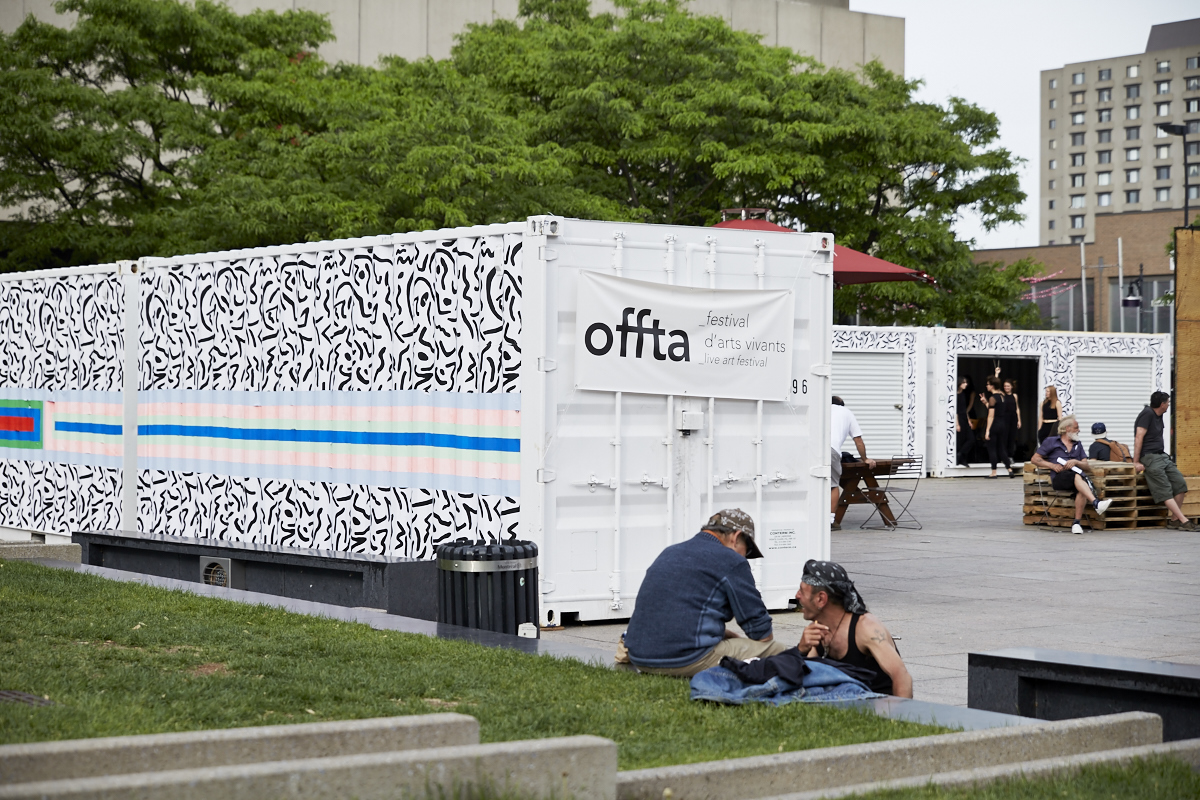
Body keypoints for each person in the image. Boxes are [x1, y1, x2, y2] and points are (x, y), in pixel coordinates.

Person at [620, 509, 786, 676]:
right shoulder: (732, 560)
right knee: (777, 650)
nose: (745, 557)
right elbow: (761, 632)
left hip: (640, 657)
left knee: (734, 641)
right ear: (736, 537)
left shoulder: (670, 552)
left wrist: (725, 635)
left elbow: (678, 613)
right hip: (685, 660)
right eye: (748, 551)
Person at [795, 560, 912, 698]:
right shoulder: (819, 629)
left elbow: (901, 676)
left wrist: (899, 716)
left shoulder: (866, 628)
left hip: (877, 706)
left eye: (802, 591)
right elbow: (802, 678)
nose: (797, 595)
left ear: (821, 599)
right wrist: (801, 650)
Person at [1031, 414, 1112, 534]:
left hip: (1076, 477)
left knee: (1081, 486)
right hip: (1059, 478)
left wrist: (1076, 462)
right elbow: (1035, 459)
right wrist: (1052, 465)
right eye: (1076, 428)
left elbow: (1086, 466)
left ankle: (1076, 523)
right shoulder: (1052, 441)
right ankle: (1096, 503)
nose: (1078, 430)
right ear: (1067, 429)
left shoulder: (1077, 444)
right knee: (1077, 477)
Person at [1133, 391, 1194, 530]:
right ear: (1162, 404)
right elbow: (1138, 437)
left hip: (1162, 456)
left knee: (1180, 484)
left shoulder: (1158, 415)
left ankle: (1174, 520)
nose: (1168, 405)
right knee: (1165, 489)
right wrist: (1136, 462)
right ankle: (1183, 520)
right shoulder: (1147, 414)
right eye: (1167, 402)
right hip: (1150, 457)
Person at [830, 397, 875, 532]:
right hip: (830, 449)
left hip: (809, 449)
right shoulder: (846, 412)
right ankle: (830, 521)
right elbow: (858, 440)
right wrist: (865, 458)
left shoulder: (820, 409)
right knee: (832, 485)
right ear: (842, 405)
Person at [983, 377, 1015, 479]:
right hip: (1003, 425)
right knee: (1002, 448)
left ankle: (994, 472)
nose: (986, 386)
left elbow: (991, 415)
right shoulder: (1002, 396)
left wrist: (987, 430)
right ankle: (1009, 469)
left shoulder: (992, 398)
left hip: (995, 424)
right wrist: (985, 403)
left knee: (992, 448)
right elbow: (995, 409)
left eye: (988, 384)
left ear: (992, 386)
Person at [955, 376, 975, 467]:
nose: (966, 384)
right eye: (964, 383)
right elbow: (955, 411)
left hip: (964, 418)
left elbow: (964, 410)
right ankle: (962, 459)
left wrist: (968, 420)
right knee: (961, 440)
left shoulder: (963, 394)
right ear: (959, 384)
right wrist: (957, 423)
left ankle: (960, 454)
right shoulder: (955, 395)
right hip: (958, 419)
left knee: (971, 439)